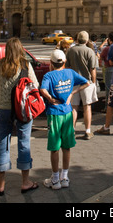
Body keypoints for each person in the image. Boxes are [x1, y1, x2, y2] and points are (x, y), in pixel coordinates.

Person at [0, 37, 39, 195]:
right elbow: (35, 86)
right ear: (21, 49)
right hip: (22, 110)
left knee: (3, 143)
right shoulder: (25, 65)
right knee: (24, 142)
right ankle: (25, 182)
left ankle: (1, 185)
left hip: (3, 110)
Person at [40, 49, 89, 189]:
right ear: (64, 61)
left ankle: (55, 179)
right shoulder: (70, 72)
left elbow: (42, 90)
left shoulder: (48, 75)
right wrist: (72, 93)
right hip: (67, 113)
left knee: (54, 147)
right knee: (66, 147)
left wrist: (50, 98)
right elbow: (86, 82)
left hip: (54, 114)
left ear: (51, 63)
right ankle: (65, 177)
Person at [66, 31, 98, 140]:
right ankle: (88, 131)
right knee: (87, 107)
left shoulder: (70, 50)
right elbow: (92, 69)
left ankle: (72, 130)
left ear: (77, 39)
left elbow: (67, 67)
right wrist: (93, 82)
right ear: (87, 40)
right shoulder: (90, 51)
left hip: (74, 82)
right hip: (86, 82)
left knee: (73, 107)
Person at [99, 32, 113, 109]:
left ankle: (108, 107)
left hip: (109, 69)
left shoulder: (107, 49)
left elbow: (101, 59)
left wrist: (102, 65)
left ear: (110, 40)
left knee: (108, 88)